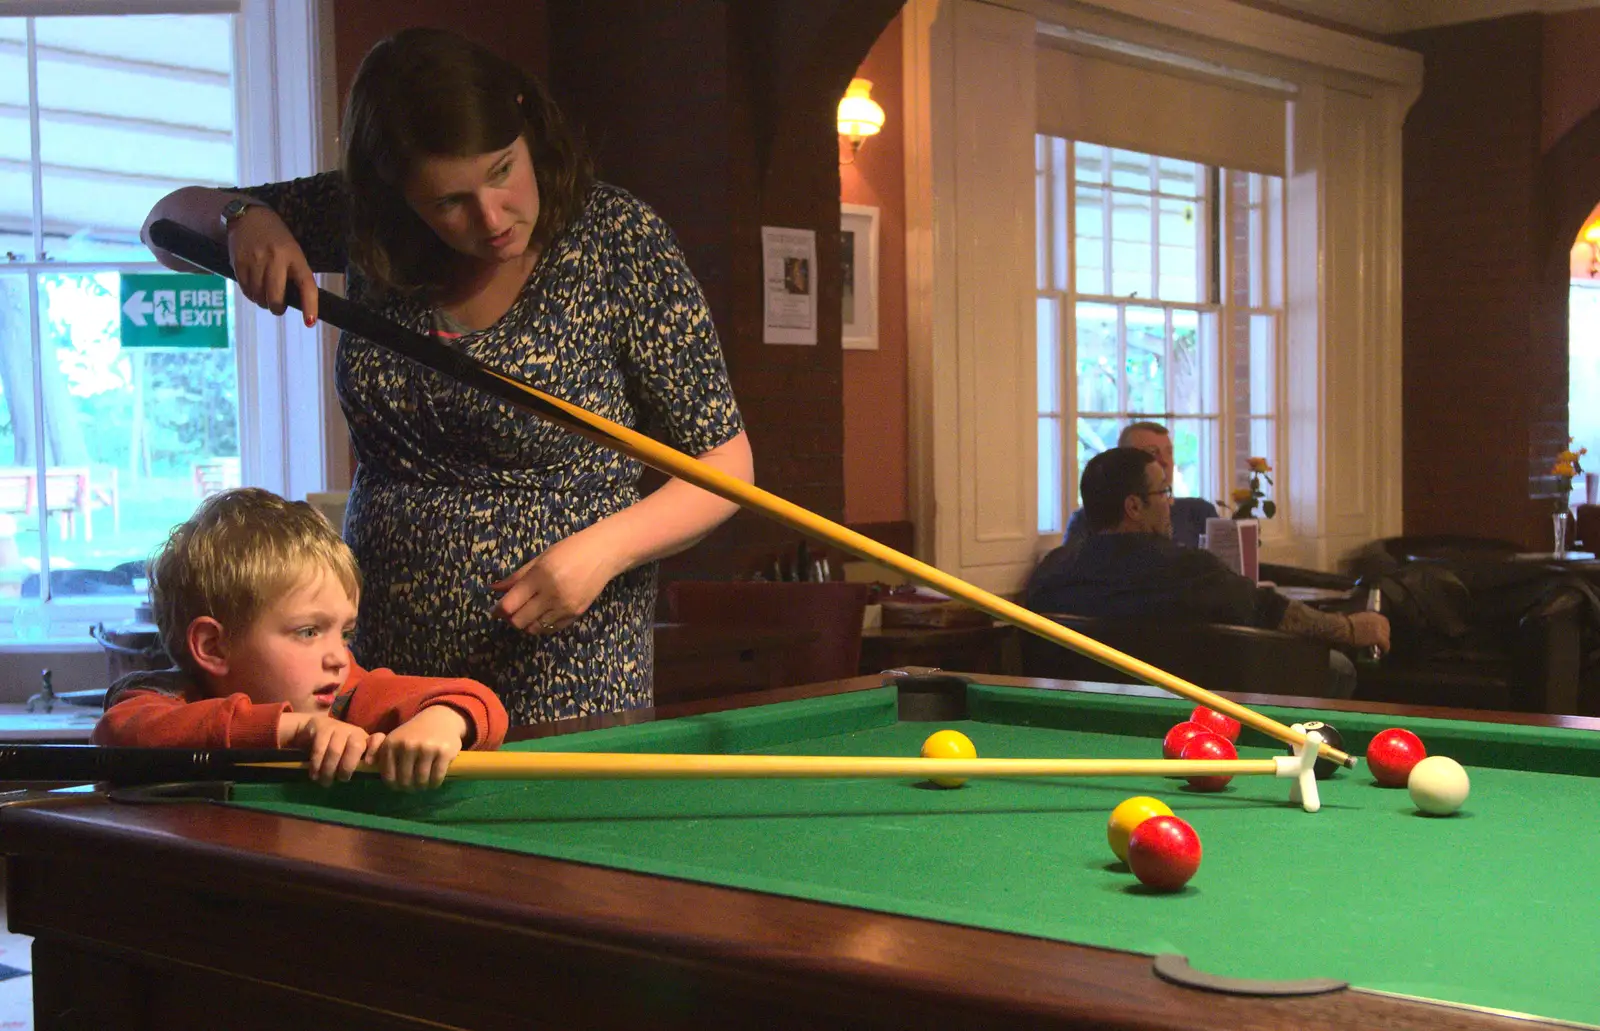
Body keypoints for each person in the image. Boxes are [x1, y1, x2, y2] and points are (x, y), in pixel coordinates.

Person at [140, 28, 753, 724]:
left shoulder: (617, 240)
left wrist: (603, 551)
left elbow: (726, 462)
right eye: (448, 202)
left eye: (501, 172)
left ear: (525, 122)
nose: (490, 219)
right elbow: (163, 226)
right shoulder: (367, 223)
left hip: (564, 662)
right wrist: (239, 216)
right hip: (386, 665)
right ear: (397, 194)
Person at [93, 488, 509, 789]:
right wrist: (293, 728)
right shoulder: (163, 700)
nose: (338, 658)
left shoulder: (346, 692)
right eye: (308, 632)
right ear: (213, 647)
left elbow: (476, 700)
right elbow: (122, 735)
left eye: (345, 632)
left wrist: (443, 722)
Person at [1026, 447, 1389, 698]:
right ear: (1134, 506)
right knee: (1338, 666)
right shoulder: (1186, 569)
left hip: (1090, 715)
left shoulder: (1053, 570)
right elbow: (1272, 612)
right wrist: (1351, 628)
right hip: (1200, 714)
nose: (1171, 503)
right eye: (1164, 493)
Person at [1063, 422, 1217, 548]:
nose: (1165, 461)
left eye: (1169, 452)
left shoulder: (1198, 512)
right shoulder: (1089, 520)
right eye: (1151, 453)